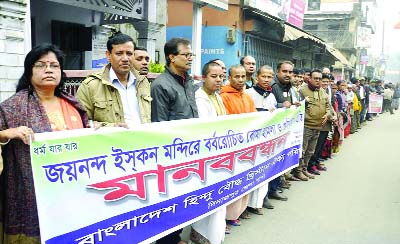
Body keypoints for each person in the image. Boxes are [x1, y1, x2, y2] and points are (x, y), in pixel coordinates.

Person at [0, 43, 89, 244]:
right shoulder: (12, 107)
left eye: (54, 65)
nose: (48, 69)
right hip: (31, 195)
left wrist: (108, 129)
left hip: (72, 192)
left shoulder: (73, 104)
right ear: (29, 71)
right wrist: (6, 133)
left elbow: (86, 136)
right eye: (40, 65)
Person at [151, 37, 198, 244]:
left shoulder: (188, 82)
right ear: (171, 57)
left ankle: (176, 236)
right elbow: (159, 124)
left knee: (182, 198)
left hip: (190, 148)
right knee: (168, 199)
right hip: (171, 153)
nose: (190, 58)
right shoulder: (161, 85)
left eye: (191, 55)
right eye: (185, 55)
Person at [76, 32, 151, 127]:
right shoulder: (91, 85)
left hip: (143, 140)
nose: (125, 58)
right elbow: (81, 121)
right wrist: (112, 128)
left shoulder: (143, 82)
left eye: (129, 54)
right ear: (108, 55)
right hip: (111, 141)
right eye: (119, 53)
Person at [192, 61, 226, 244]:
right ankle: (200, 234)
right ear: (204, 77)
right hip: (207, 155)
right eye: (214, 76)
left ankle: (215, 235)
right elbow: (206, 128)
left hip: (220, 153)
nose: (218, 80)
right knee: (207, 196)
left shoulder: (217, 96)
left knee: (219, 197)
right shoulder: (200, 97)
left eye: (221, 76)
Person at [220, 64, 256, 226]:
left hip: (246, 147)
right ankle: (223, 219)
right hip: (231, 146)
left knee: (243, 180)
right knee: (229, 182)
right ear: (230, 77)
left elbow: (255, 118)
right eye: (237, 76)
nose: (241, 80)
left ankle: (236, 214)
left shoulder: (247, 96)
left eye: (243, 76)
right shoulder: (223, 96)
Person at [246, 65, 279, 213]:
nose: (266, 79)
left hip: (267, 140)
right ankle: (247, 205)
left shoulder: (271, 95)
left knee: (265, 169)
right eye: (263, 76)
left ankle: (260, 200)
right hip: (251, 140)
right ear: (257, 77)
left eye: (269, 77)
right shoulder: (248, 94)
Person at [298, 69, 332, 176]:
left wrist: (327, 114)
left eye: (320, 79)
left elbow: (328, 107)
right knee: (302, 151)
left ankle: (305, 169)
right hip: (306, 126)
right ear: (309, 79)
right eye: (315, 78)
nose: (318, 81)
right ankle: (298, 171)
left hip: (318, 127)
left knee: (310, 151)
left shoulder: (322, 92)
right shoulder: (302, 91)